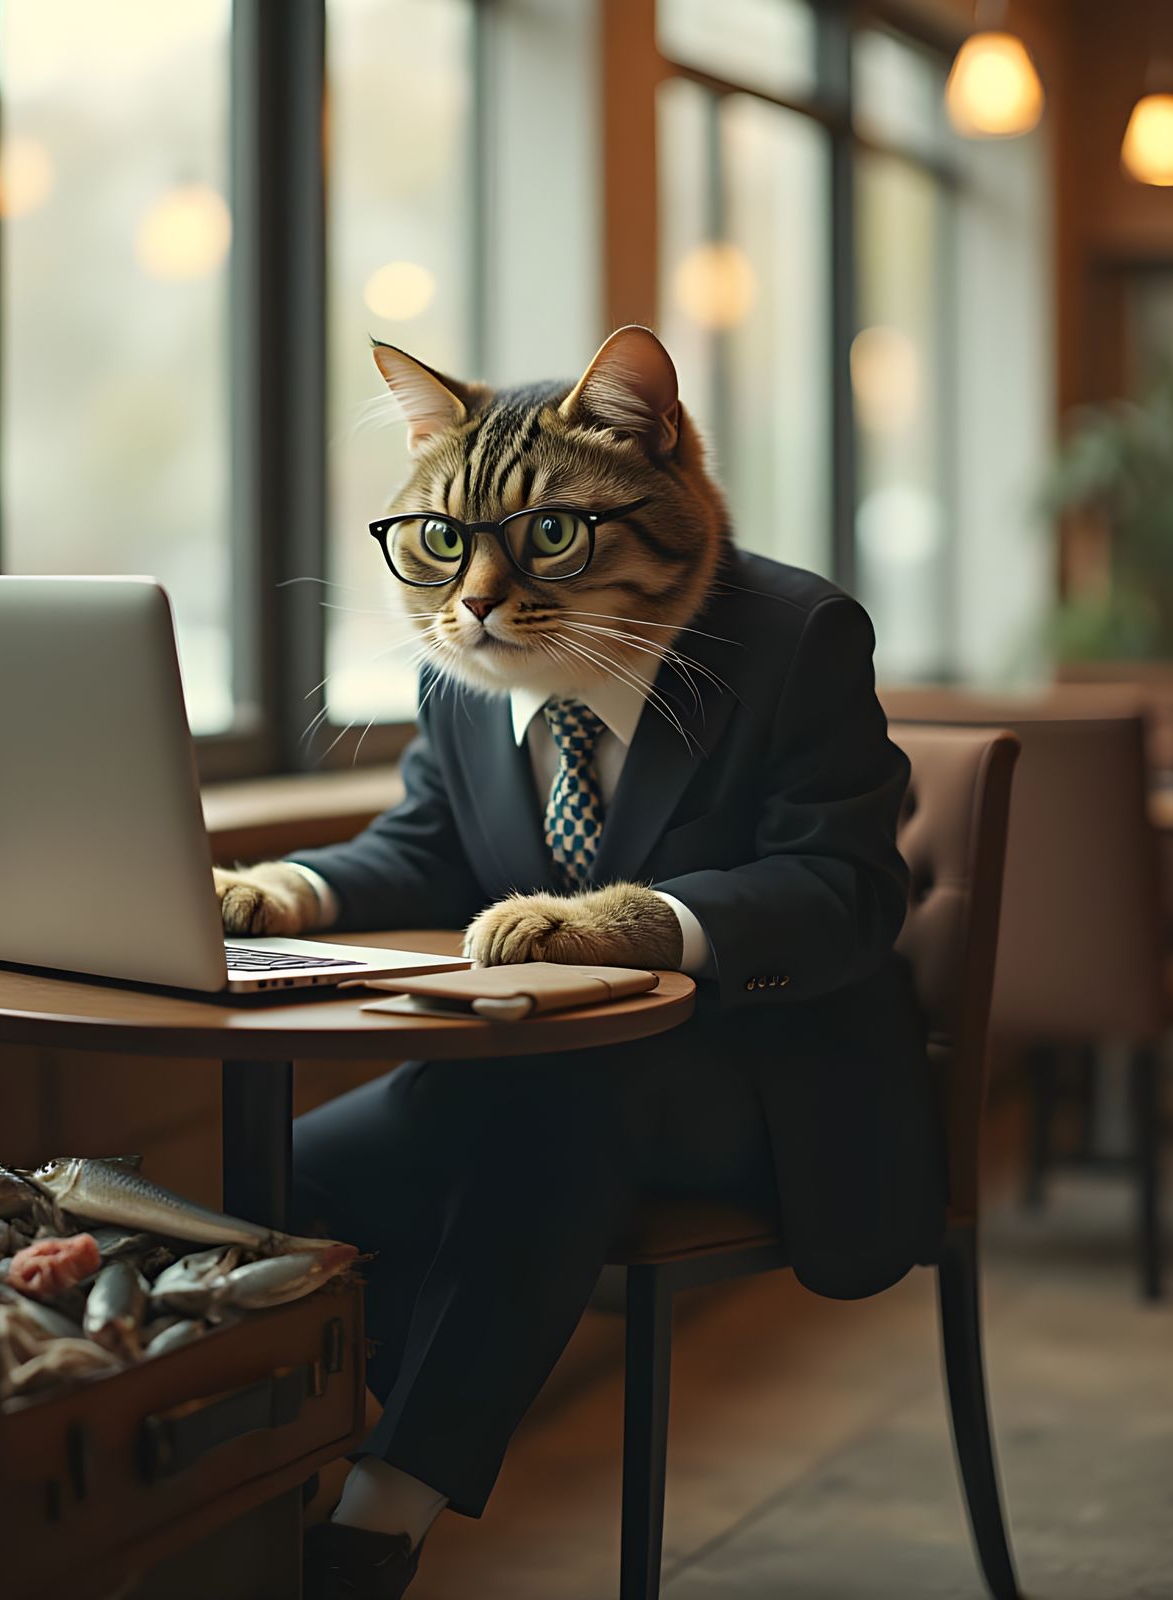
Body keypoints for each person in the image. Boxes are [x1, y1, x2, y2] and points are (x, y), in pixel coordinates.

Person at [213, 327, 945, 1599]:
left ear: (660, 457)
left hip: (769, 1083)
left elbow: (847, 893)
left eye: (547, 534)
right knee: (269, 1174)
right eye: (444, 541)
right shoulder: (459, 665)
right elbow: (434, 846)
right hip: (527, 1074)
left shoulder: (794, 637)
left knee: (557, 1093)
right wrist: (290, 888)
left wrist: (638, 920)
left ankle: (386, 1510)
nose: (482, 588)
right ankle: (275, 1469)